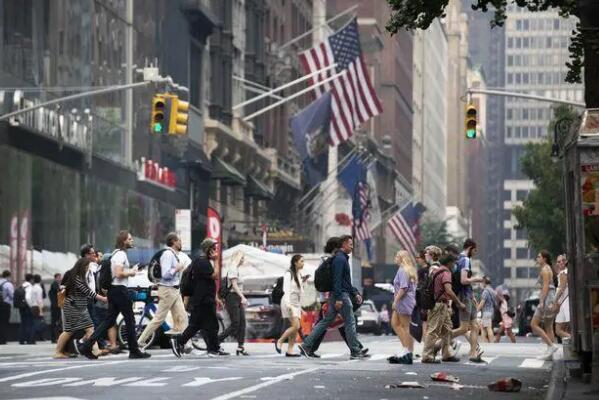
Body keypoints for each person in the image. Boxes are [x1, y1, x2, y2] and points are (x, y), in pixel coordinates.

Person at [77, 230, 150, 359]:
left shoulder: (116, 254)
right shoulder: (121, 254)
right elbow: (118, 273)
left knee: (109, 321)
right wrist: (132, 272)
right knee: (130, 320)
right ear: (123, 241)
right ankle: (134, 351)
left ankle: (87, 345)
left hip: (114, 291)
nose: (132, 241)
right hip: (120, 290)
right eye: (129, 239)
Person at [298, 235, 368, 360]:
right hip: (341, 296)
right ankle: (355, 351)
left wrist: (355, 293)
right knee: (350, 322)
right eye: (350, 244)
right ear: (343, 245)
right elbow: (337, 280)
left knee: (325, 322)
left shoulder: (341, 258)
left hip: (338, 295)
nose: (352, 247)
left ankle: (306, 345)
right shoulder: (340, 259)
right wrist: (340, 298)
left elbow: (345, 281)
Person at [171, 238, 228, 357]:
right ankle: (213, 349)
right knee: (212, 325)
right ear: (208, 250)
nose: (216, 251)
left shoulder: (201, 261)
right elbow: (215, 276)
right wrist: (217, 260)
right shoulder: (203, 262)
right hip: (204, 300)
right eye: (214, 249)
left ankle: (180, 341)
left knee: (196, 325)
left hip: (202, 299)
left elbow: (208, 282)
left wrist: (216, 298)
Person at [137, 233, 189, 349]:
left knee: (182, 317)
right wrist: (177, 268)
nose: (181, 243)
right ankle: (140, 341)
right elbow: (165, 274)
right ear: (174, 242)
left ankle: (182, 344)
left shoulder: (173, 254)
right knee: (159, 319)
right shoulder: (167, 254)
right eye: (179, 241)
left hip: (175, 290)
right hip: (167, 290)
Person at [55, 258, 108, 359]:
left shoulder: (80, 277)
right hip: (74, 306)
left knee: (70, 330)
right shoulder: (77, 278)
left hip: (78, 306)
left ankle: (58, 351)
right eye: (86, 267)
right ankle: (95, 350)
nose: (88, 269)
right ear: (81, 267)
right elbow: (88, 292)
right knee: (88, 328)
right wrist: (103, 298)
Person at [421, 254, 465, 363]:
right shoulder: (445, 272)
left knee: (448, 329)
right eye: (454, 263)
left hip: (442, 304)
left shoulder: (438, 271)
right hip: (439, 305)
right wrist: (459, 303)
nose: (455, 265)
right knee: (433, 330)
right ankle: (427, 356)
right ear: (449, 263)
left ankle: (446, 354)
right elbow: (449, 290)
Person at [451, 238, 485, 363]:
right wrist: (477, 279)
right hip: (464, 296)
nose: (475, 253)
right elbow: (463, 280)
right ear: (470, 248)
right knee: (464, 329)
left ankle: (472, 353)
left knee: (475, 326)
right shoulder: (464, 260)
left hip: (468, 295)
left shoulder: (459, 258)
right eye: (474, 250)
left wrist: (473, 296)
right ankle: (439, 342)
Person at [388, 250, 418, 364]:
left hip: (404, 301)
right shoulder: (408, 270)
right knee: (395, 323)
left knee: (406, 327)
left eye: (397, 256)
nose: (395, 258)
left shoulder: (402, 270)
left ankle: (407, 351)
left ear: (402, 258)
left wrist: (395, 301)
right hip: (406, 300)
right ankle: (406, 349)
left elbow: (403, 288)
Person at [218, 250, 249, 355]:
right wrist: (243, 297)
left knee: (242, 323)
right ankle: (217, 340)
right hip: (232, 297)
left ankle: (240, 347)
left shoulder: (236, 269)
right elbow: (234, 285)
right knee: (235, 324)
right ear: (238, 257)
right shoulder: (232, 268)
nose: (243, 260)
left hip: (237, 298)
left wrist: (241, 297)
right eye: (242, 258)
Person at [276, 255, 306, 357]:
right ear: (295, 262)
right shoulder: (289, 273)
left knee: (295, 328)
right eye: (301, 261)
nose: (303, 263)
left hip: (296, 304)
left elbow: (300, 292)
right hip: (288, 303)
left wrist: (301, 308)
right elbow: (286, 290)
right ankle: (280, 341)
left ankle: (290, 350)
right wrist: (288, 304)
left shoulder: (299, 274)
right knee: (296, 326)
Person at [531, 250, 559, 360]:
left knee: (534, 324)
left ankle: (551, 346)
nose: (537, 258)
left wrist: (541, 301)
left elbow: (546, 287)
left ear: (544, 258)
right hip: (550, 298)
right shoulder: (547, 268)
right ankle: (550, 354)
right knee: (548, 326)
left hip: (547, 299)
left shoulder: (545, 270)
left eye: (539, 257)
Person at [554, 254, 570, 341]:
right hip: (562, 303)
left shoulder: (564, 273)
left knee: (568, 326)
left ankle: (573, 342)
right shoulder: (562, 273)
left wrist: (554, 301)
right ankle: (572, 340)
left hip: (566, 302)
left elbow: (562, 288)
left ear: (566, 261)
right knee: (558, 330)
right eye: (559, 261)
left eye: (563, 260)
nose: (561, 263)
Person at [477, 276, 496, 343]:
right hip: (491, 311)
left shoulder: (486, 291)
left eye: (481, 282)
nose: (481, 284)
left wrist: (477, 310)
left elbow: (482, 302)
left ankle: (491, 343)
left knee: (488, 328)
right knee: (483, 328)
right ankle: (484, 343)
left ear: (484, 282)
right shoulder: (492, 290)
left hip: (486, 312)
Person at [18, 273, 35, 344]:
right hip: (27, 307)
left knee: (23, 324)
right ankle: (29, 340)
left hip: (21, 307)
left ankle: (21, 340)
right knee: (29, 324)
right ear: (31, 279)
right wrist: (31, 306)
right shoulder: (29, 286)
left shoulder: (22, 285)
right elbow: (28, 297)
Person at [0, 270, 15, 344]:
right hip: (5, 305)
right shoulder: (8, 284)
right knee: (4, 323)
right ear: (8, 276)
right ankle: (2, 340)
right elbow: (12, 295)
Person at [31, 274, 46, 341]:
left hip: (33, 306)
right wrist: (41, 311)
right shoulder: (39, 288)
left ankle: (32, 339)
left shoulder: (33, 287)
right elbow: (39, 300)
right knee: (38, 324)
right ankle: (32, 339)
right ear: (40, 280)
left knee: (34, 323)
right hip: (37, 307)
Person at [48, 273, 62, 343]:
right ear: (56, 278)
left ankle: (55, 337)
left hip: (55, 306)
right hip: (55, 306)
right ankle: (53, 338)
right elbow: (59, 292)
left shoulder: (55, 284)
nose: (61, 278)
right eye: (59, 277)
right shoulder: (54, 284)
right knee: (55, 322)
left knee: (56, 322)